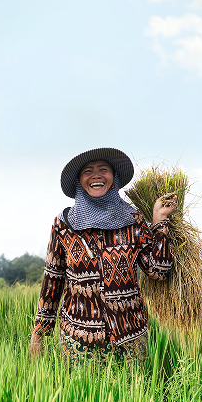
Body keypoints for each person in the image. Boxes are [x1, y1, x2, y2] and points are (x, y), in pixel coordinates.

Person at [29, 147, 176, 367]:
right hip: (78, 338)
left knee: (133, 390)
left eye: (103, 169)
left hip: (129, 336)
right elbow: (53, 278)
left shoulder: (133, 220)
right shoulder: (64, 223)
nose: (96, 175)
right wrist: (40, 331)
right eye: (88, 171)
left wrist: (159, 222)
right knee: (79, 390)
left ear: (113, 177)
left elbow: (159, 271)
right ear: (79, 181)